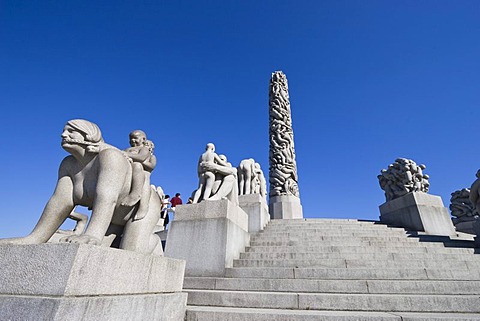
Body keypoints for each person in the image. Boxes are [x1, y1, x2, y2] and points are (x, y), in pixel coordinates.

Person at [121, 130, 157, 220]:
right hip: (129, 170)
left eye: (135, 138)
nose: (133, 140)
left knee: (144, 184)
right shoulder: (127, 149)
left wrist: (138, 161)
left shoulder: (145, 151)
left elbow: (150, 165)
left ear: (143, 139)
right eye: (131, 139)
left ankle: (143, 206)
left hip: (144, 174)